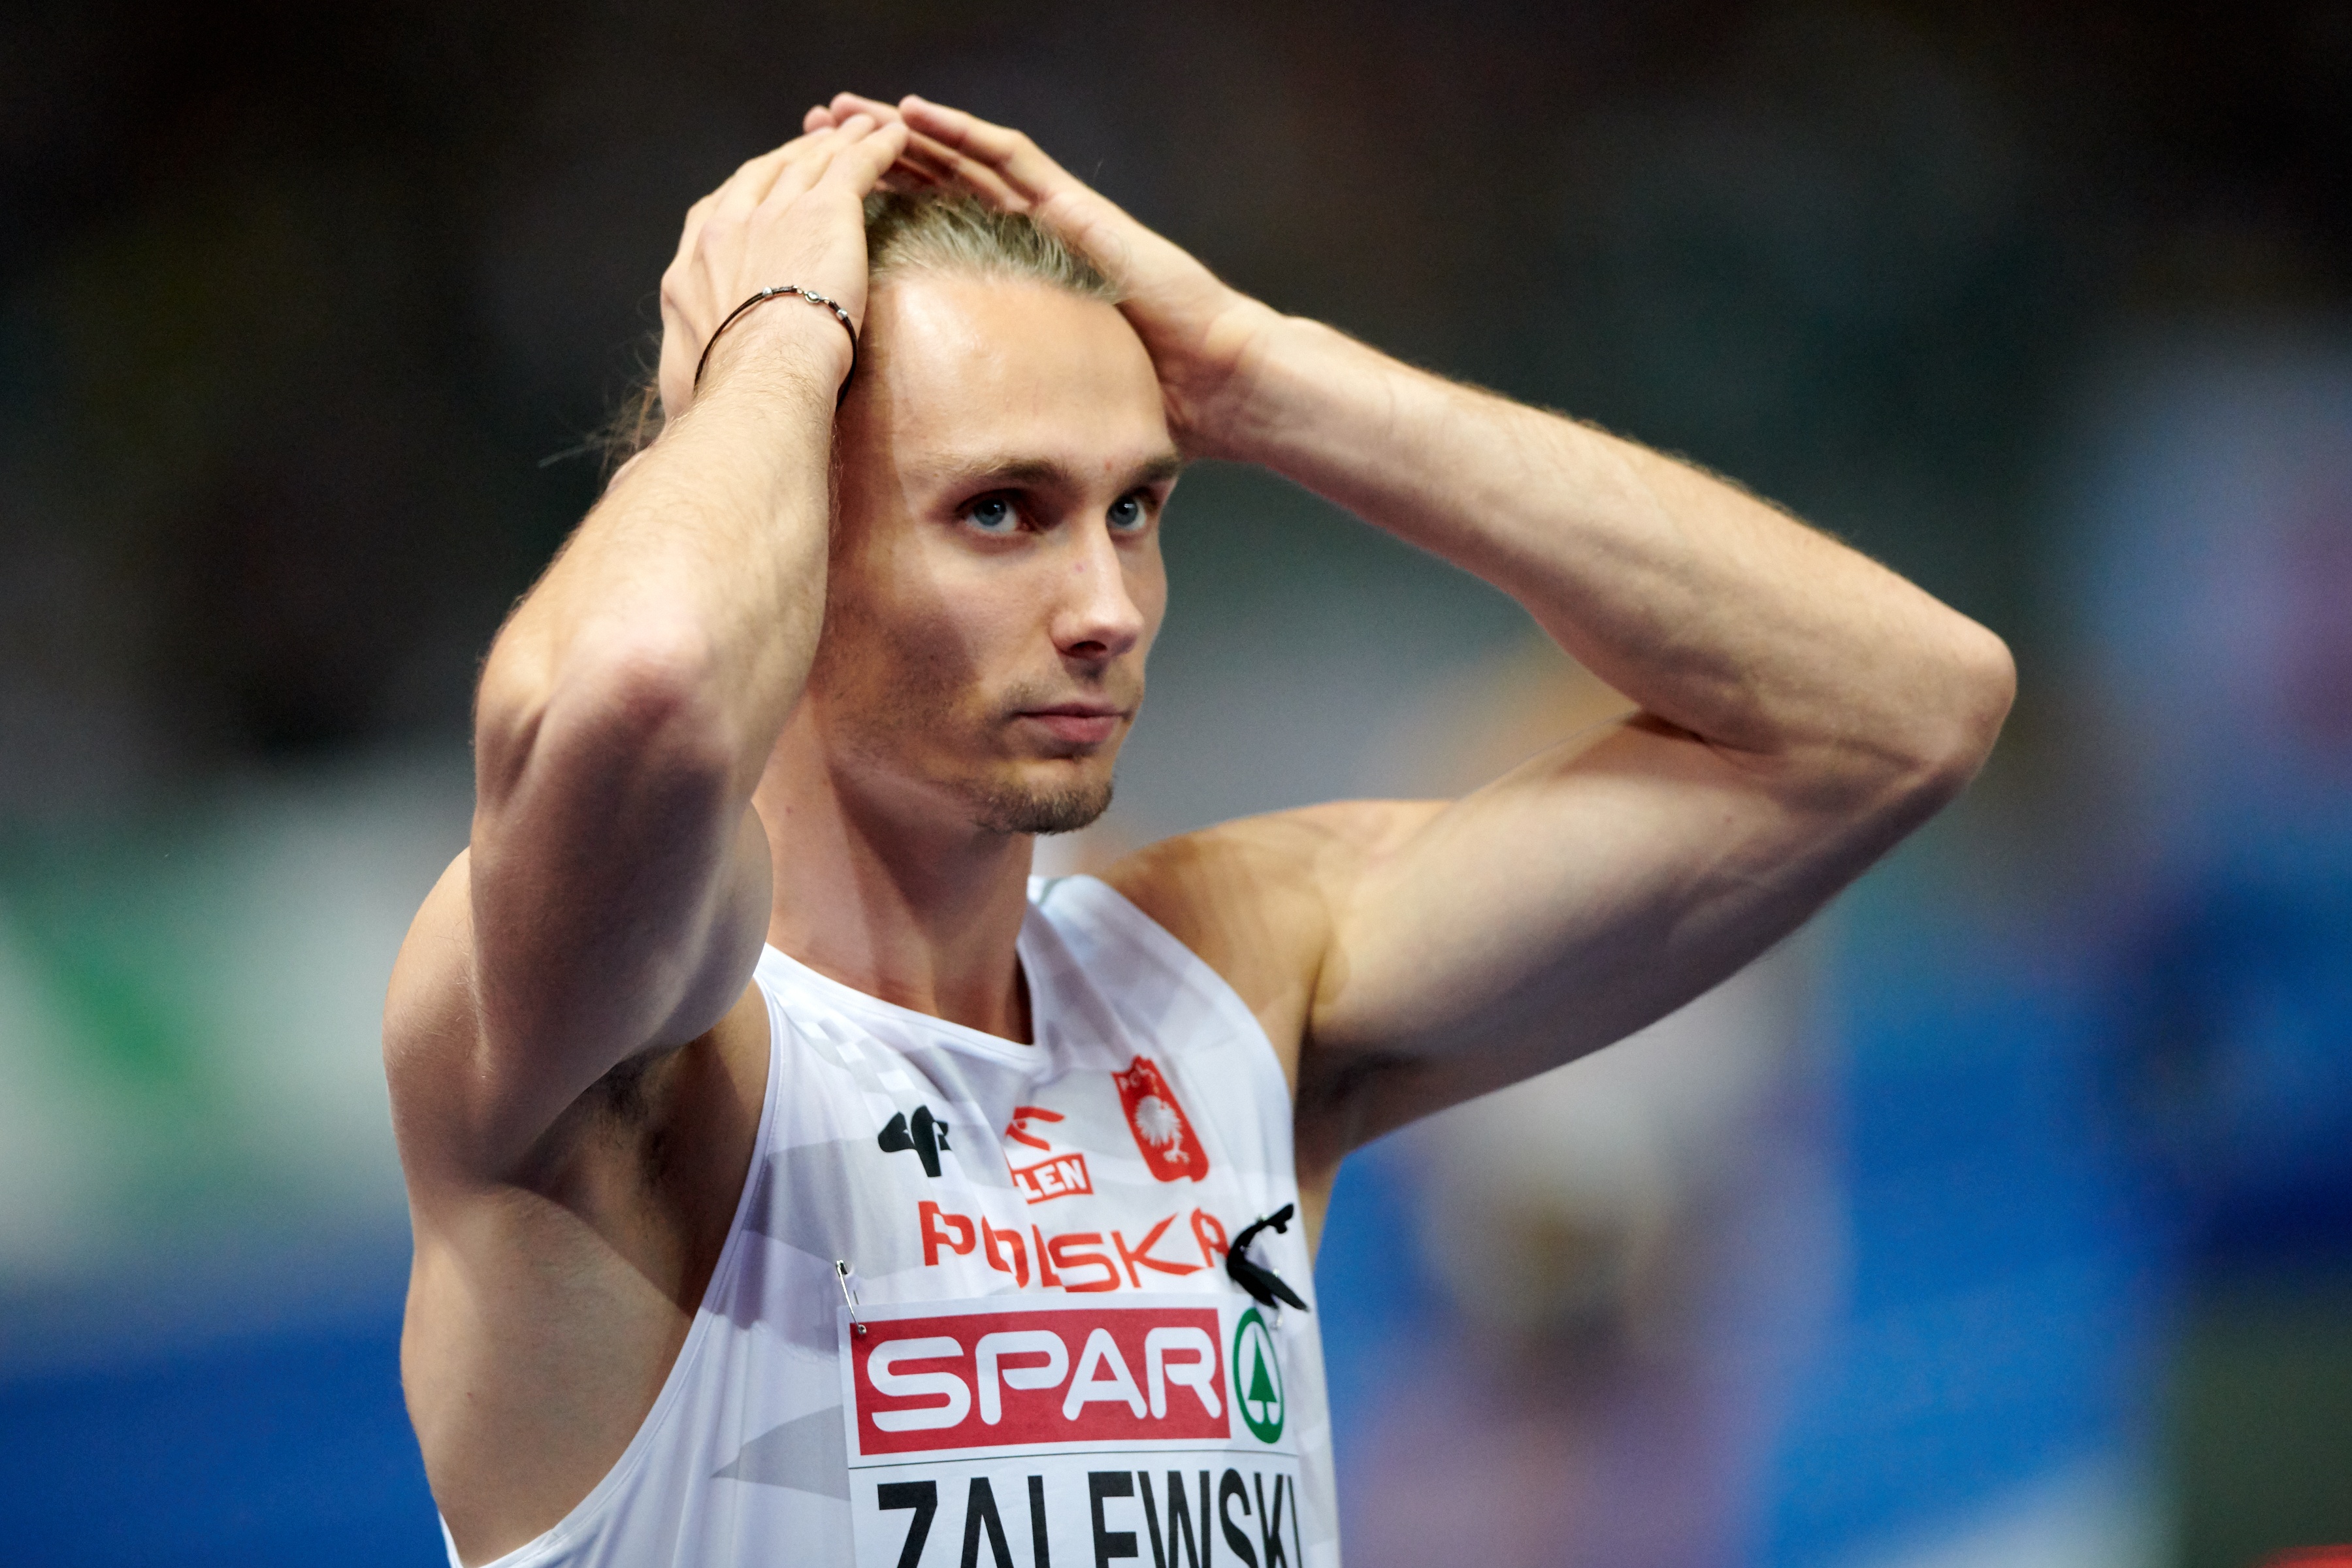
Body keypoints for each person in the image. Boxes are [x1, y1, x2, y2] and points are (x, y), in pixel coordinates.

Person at [382, 91, 2014, 1568]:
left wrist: (1259, 371)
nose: (1106, 606)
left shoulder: (1228, 982)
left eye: (1138, 509)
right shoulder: (631, 1059)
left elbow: (1904, 711)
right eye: (1001, 512)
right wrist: (771, 351)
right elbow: (640, 691)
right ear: (788, 543)